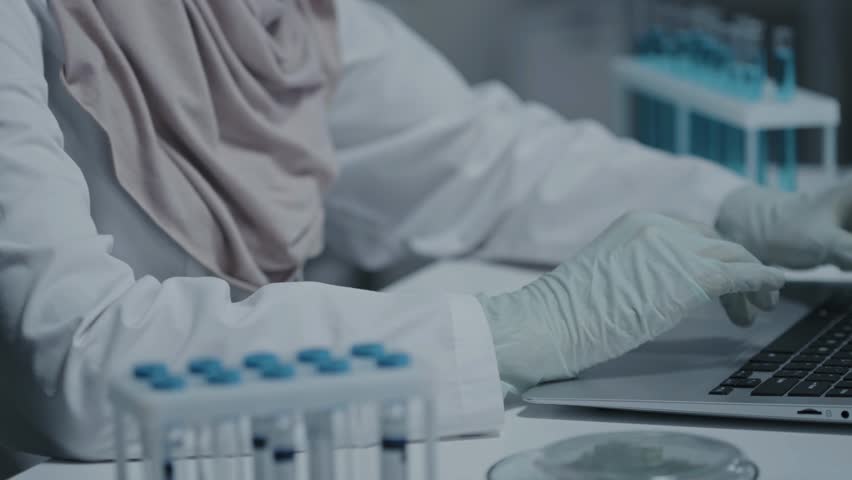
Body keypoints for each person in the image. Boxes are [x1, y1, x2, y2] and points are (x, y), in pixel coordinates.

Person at [2, 0, 852, 464]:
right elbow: (72, 363)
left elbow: (478, 157)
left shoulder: (277, 17)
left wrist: (741, 210)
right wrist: (515, 332)